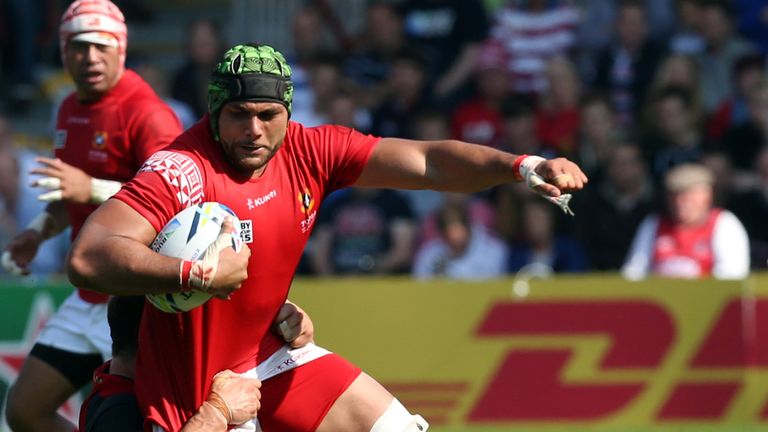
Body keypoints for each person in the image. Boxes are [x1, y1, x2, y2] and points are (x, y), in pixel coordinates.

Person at [66, 43, 587, 432]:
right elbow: (88, 257)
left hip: (270, 352)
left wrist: (522, 165)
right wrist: (197, 273)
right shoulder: (181, 169)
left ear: (289, 114)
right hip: (197, 392)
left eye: (269, 116)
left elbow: (429, 162)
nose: (255, 131)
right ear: (214, 113)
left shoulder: (312, 150)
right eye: (239, 116)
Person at [2, 1, 183, 431]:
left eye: (102, 46)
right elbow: (71, 195)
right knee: (25, 411)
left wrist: (92, 188)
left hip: (132, 302)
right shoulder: (68, 108)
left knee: (143, 420)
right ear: (64, 52)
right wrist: (36, 232)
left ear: (121, 49)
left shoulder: (147, 113)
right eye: (80, 47)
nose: (91, 57)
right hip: (86, 295)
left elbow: (174, 199)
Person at [79, 296, 315, 432]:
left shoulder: (139, 390)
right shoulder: (119, 412)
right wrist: (216, 414)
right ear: (164, 340)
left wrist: (292, 336)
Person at [622, 163, 750, 280]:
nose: (680, 202)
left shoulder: (724, 223)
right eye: (674, 196)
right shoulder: (653, 224)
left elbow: (731, 276)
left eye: (688, 196)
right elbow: (634, 273)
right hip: (658, 300)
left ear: (706, 195)